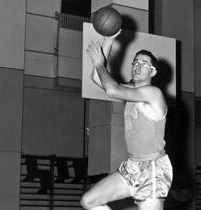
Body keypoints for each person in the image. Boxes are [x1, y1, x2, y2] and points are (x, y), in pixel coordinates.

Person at [81, 30, 173, 210]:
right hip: (132, 166)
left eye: (144, 64)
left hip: (152, 169)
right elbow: (96, 77)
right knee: (89, 201)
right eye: (135, 62)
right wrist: (108, 40)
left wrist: (100, 63)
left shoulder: (153, 93)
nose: (138, 66)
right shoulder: (130, 90)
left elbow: (112, 90)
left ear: (153, 71)